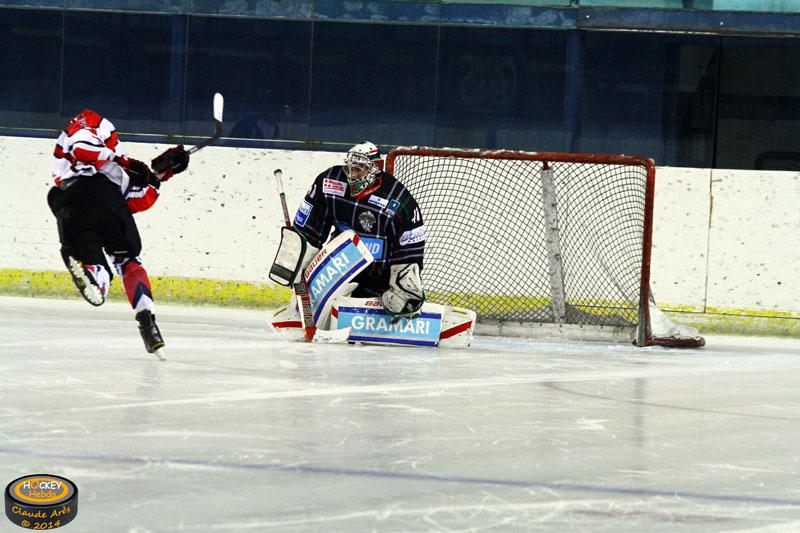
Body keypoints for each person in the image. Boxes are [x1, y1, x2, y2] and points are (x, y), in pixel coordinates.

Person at [46, 109, 189, 354]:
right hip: (103, 199)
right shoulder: (91, 126)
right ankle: (148, 324)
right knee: (128, 260)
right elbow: (84, 150)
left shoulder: (79, 152)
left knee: (92, 256)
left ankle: (96, 278)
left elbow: (134, 199)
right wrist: (126, 163)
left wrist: (159, 175)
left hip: (68, 208)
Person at [291, 141, 426, 318]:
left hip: (379, 272)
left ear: (375, 168)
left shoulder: (399, 201)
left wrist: (404, 290)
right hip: (340, 263)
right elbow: (309, 231)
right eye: (350, 169)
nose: (352, 175)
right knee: (316, 302)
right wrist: (297, 263)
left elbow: (408, 252)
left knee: (384, 309)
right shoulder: (329, 183)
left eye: (359, 170)